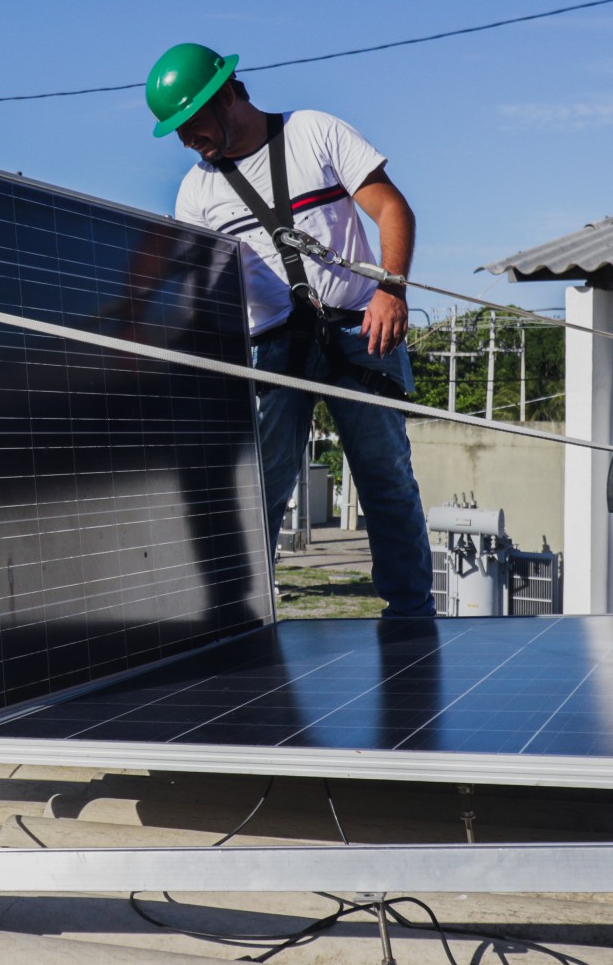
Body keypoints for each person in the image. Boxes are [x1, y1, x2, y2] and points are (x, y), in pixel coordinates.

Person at [149, 42, 435, 618]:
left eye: (191, 122)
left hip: (360, 330)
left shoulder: (313, 133)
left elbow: (392, 209)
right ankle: (242, 616)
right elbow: (201, 289)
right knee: (263, 486)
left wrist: (392, 289)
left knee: (385, 476)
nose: (186, 139)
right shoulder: (197, 192)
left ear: (226, 94)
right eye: (176, 130)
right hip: (273, 345)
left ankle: (410, 616)